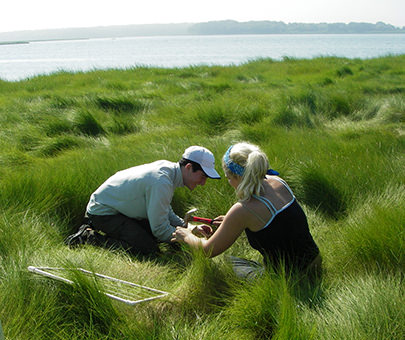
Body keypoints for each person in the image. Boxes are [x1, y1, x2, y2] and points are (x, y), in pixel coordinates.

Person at [171, 142, 321, 279]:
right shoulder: (278, 181)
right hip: (315, 264)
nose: (229, 183)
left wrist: (186, 235)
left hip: (288, 280)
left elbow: (206, 251)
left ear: (238, 177)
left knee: (225, 262)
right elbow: (281, 224)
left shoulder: (244, 210)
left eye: (229, 178)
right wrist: (232, 222)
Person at [65, 145, 221, 256]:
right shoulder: (162, 181)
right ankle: (88, 237)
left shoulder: (169, 173)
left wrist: (189, 228)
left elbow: (165, 210)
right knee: (147, 249)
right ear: (188, 167)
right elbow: (159, 230)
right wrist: (188, 238)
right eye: (202, 176)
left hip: (119, 209)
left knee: (156, 239)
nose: (203, 183)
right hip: (102, 212)